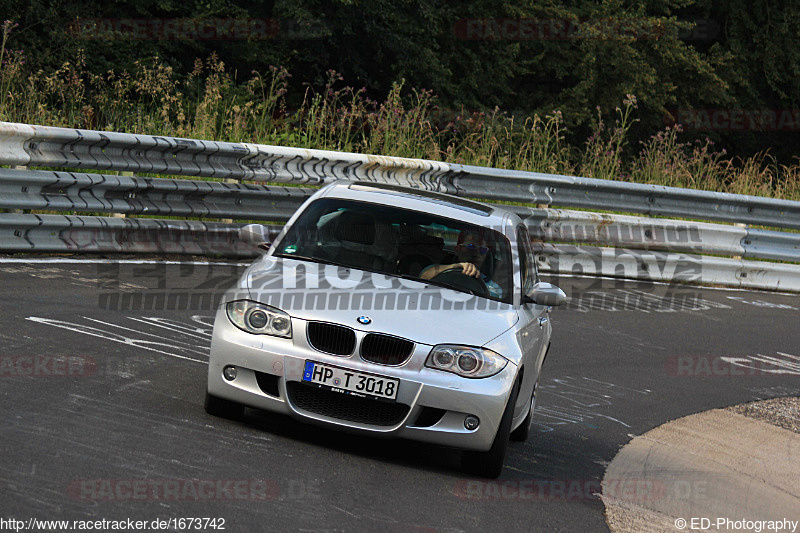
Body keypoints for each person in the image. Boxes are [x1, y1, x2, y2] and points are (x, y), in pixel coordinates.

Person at [420, 229, 503, 298]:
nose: (476, 253)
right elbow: (423, 276)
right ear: (457, 250)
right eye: (470, 247)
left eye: (483, 250)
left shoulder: (493, 288)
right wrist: (456, 266)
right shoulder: (438, 270)